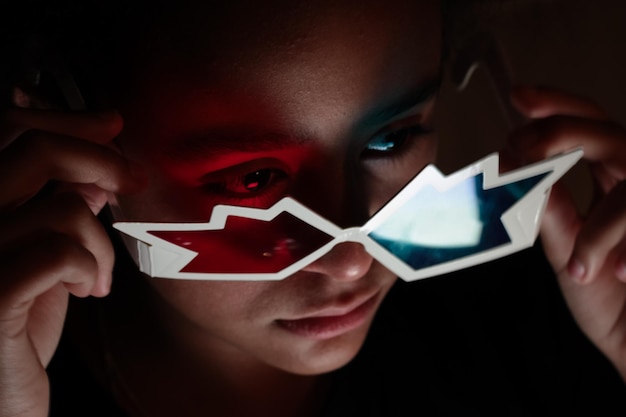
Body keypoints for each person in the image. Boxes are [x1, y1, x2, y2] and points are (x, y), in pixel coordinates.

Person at [1, 0, 625, 416]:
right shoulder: (15, 372)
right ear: (62, 129)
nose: (353, 260)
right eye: (253, 179)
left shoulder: (551, 318)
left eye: (391, 140)